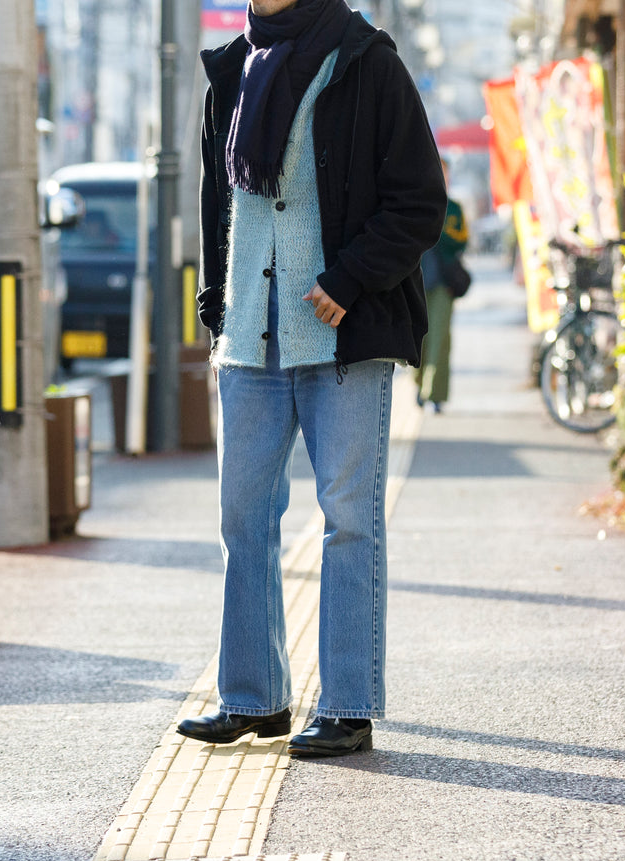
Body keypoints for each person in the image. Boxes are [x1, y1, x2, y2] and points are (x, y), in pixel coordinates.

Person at [178, 0, 446, 757]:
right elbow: (216, 203)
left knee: (349, 520)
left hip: (341, 338)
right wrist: (214, 300)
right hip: (248, 340)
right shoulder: (231, 71)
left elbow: (419, 200)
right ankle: (253, 698)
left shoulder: (366, 62)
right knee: (242, 519)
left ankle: (347, 704)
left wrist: (351, 279)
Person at [416, 160, 469, 413]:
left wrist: (436, 227)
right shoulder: (415, 202)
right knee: (419, 339)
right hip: (416, 281)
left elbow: (461, 241)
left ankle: (434, 394)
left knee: (440, 339)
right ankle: (419, 384)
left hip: (443, 285)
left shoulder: (455, 208)